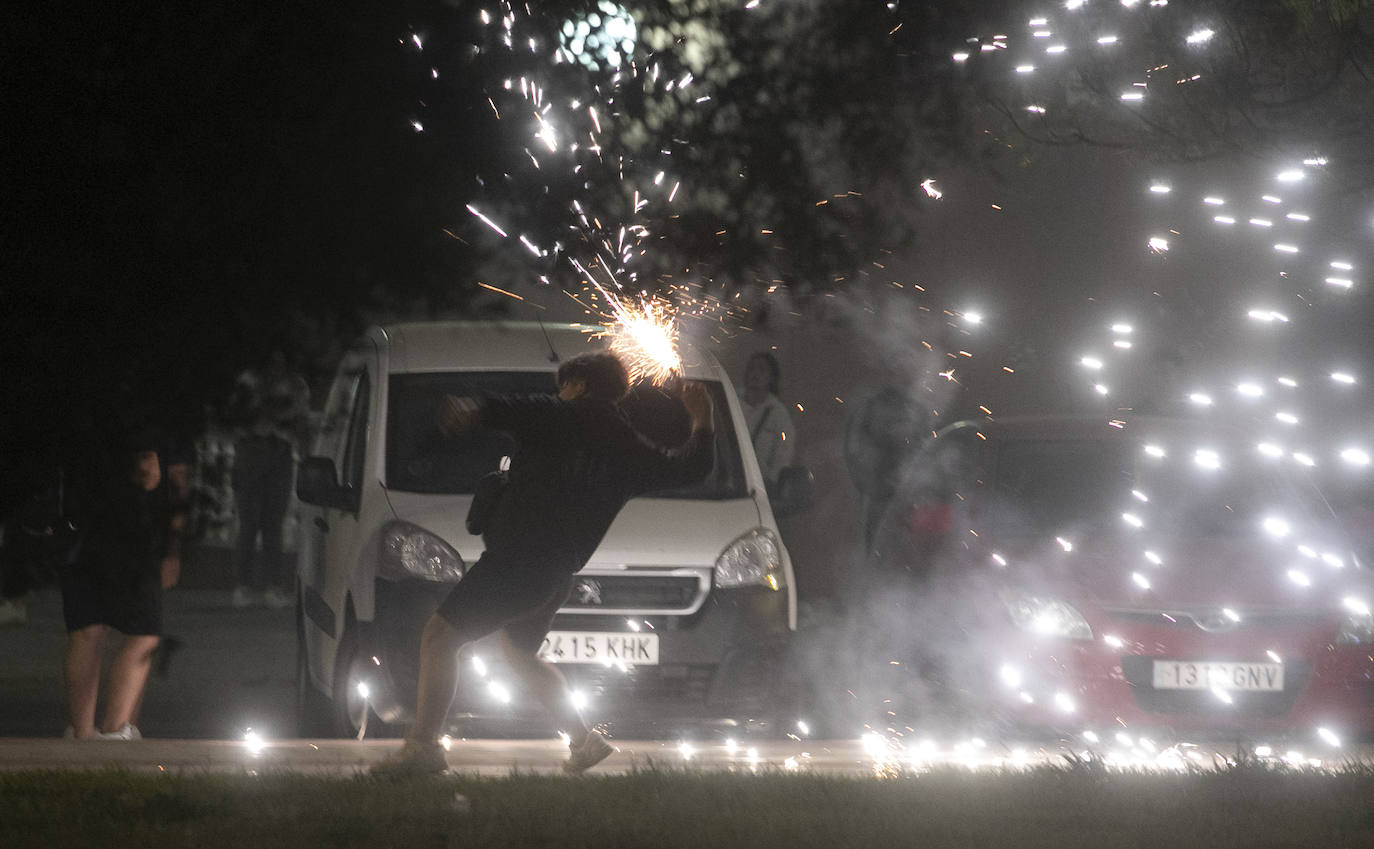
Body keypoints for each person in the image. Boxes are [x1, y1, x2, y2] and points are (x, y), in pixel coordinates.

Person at [373, 351, 715, 776]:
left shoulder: (559, 416)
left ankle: (422, 747)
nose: (559, 394)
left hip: (514, 564)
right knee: (519, 654)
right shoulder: (629, 450)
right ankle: (584, 741)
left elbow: (513, 408)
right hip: (554, 577)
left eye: (564, 387)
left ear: (581, 387)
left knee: (439, 638)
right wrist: (701, 416)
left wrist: (475, 408)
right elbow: (692, 467)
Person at [59, 427, 189, 740]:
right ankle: (115, 732)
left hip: (80, 532)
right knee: (143, 634)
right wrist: (172, 548)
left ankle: (83, 732)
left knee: (88, 631)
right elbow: (165, 479)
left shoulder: (81, 405)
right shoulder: (158, 412)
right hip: (134, 536)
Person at [230, 349, 310, 608]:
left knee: (272, 523)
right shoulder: (250, 381)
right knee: (250, 523)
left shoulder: (294, 384)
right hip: (253, 449)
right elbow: (240, 415)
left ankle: (271, 586)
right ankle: (244, 585)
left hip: (277, 451)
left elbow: (299, 418)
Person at [738, 351, 795, 494]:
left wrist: (771, 483)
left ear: (771, 378)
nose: (755, 373)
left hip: (759, 488)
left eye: (761, 369)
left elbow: (783, 453)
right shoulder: (732, 401)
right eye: (751, 368)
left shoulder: (778, 414)